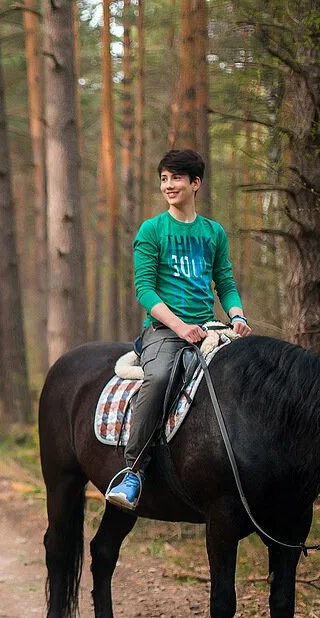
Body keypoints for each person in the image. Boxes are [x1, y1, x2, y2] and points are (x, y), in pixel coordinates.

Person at [105, 149, 252, 511]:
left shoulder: (213, 232)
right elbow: (145, 290)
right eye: (164, 179)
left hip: (210, 329)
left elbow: (225, 282)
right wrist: (179, 326)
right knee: (157, 381)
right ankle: (133, 472)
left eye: (176, 178)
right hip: (164, 331)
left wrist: (237, 315)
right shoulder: (152, 230)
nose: (168, 185)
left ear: (195, 183)